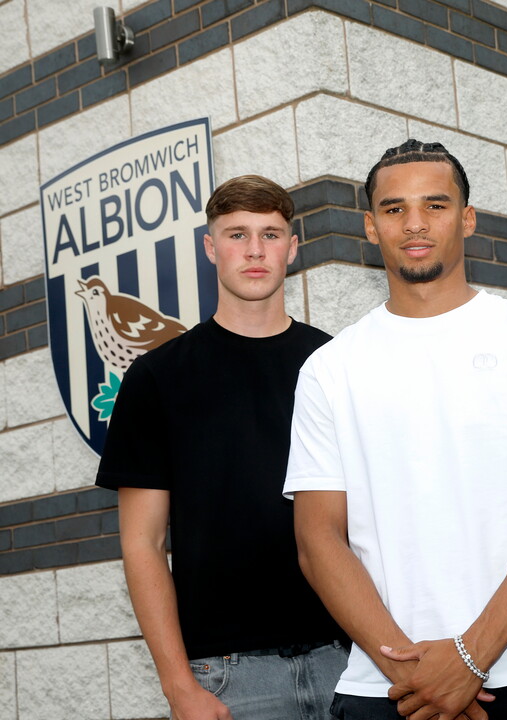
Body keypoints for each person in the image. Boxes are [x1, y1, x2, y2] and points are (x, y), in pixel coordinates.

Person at [284, 139, 507, 720]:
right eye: (394, 209)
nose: (415, 223)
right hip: (386, 687)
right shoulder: (329, 369)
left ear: (467, 218)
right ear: (371, 227)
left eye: (436, 205)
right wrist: (416, 675)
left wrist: (470, 659)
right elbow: (316, 539)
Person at [96, 175, 347, 720]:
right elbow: (143, 544)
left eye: (271, 234)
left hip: (345, 663)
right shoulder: (157, 378)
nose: (255, 251)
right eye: (236, 235)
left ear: (292, 247)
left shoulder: (335, 364)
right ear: (210, 247)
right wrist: (179, 687)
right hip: (227, 678)